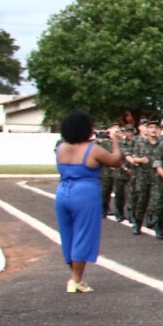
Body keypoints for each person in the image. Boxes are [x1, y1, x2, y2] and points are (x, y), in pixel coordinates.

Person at [53, 112, 125, 292]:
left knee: (67, 236)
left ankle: (76, 278)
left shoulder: (61, 148)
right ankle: (75, 279)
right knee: (83, 235)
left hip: (63, 191)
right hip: (84, 193)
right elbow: (116, 161)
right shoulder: (93, 149)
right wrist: (115, 140)